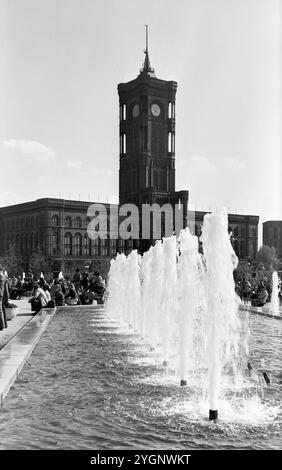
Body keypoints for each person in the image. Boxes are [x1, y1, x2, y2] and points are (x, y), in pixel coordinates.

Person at [0, 265, 9, 330]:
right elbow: (6, 288)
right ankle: (5, 324)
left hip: (0, 294)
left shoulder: (1, 276)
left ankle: (1, 326)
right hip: (2, 294)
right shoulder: (4, 277)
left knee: (0, 309)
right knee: (2, 309)